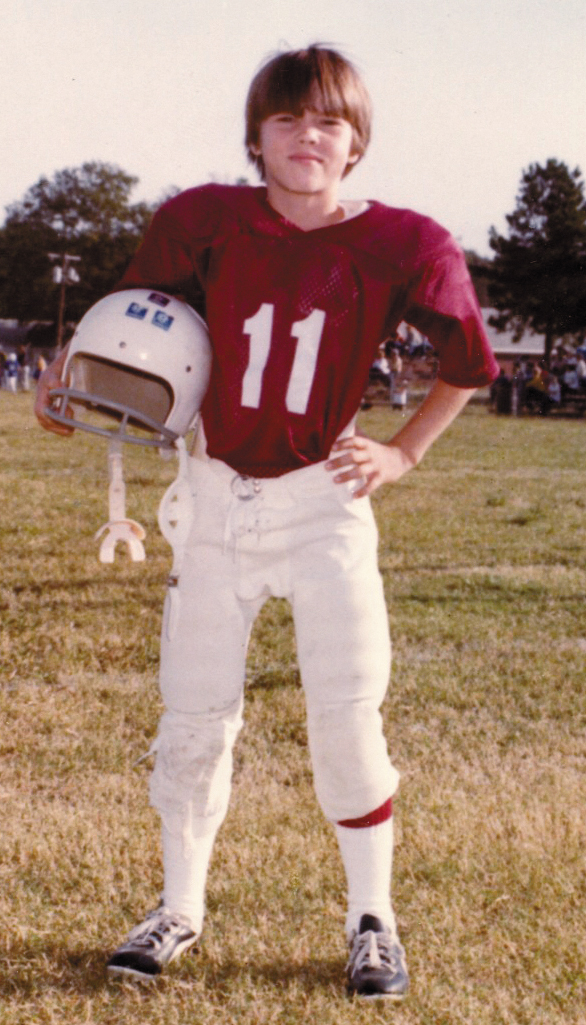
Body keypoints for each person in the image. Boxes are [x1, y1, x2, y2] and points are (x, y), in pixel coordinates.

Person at [35, 44, 498, 1000]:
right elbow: (139, 322)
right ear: (256, 137)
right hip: (211, 497)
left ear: (357, 140)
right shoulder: (200, 222)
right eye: (286, 120)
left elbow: (469, 360)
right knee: (193, 716)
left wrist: (403, 451)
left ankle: (374, 916)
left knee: (347, 716)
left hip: (324, 502)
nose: (306, 136)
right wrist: (70, 378)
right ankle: (179, 905)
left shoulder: (405, 239)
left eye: (327, 121)